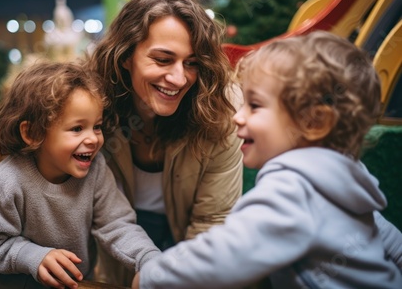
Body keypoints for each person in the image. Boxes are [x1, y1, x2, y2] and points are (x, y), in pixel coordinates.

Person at [132, 31, 402, 289]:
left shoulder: (292, 190)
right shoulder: (342, 177)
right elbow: (390, 241)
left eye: (255, 105)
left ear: (314, 122)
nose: (238, 116)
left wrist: (151, 279)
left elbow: (226, 253)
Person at [88, 0, 244, 285]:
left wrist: (167, 278)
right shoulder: (89, 108)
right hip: (110, 257)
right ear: (125, 55)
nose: (179, 78)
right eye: (162, 59)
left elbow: (212, 223)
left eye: (192, 63)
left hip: (191, 251)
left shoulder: (222, 110)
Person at [0, 61, 160, 289]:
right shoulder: (1, 185)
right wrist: (33, 256)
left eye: (96, 126)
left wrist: (148, 258)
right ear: (32, 133)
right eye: (77, 128)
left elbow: (117, 224)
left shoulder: (96, 170)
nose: (93, 139)